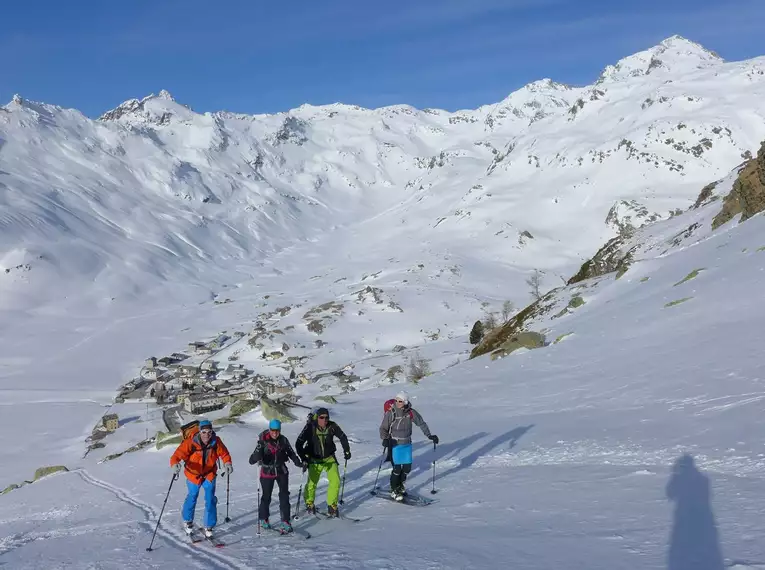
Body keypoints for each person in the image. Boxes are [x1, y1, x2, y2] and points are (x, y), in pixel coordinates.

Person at [170, 419, 233, 538]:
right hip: (193, 475)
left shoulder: (216, 441)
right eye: (204, 432)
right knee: (192, 496)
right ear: (199, 432)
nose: (207, 435)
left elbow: (224, 454)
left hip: (209, 474)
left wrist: (228, 463)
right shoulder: (190, 442)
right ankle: (188, 521)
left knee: (210, 499)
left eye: (209, 432)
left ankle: (209, 526)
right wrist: (175, 464)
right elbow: (176, 456)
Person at [379, 391, 438, 501]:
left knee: (407, 468)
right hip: (395, 444)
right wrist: (385, 439)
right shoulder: (391, 413)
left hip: (407, 444)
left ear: (405, 402)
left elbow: (421, 423)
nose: (397, 402)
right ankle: (394, 490)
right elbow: (383, 428)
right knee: (397, 469)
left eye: (400, 401)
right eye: (396, 400)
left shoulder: (411, 413)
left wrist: (429, 435)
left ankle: (400, 486)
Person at [248, 419, 303, 533]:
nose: (275, 433)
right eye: (273, 430)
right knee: (266, 496)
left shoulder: (283, 440)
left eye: (277, 431)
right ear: (269, 430)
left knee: (284, 495)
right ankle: (264, 518)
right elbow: (251, 460)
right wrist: (258, 453)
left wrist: (299, 463)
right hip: (267, 472)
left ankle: (285, 520)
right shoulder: (263, 442)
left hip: (281, 470)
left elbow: (291, 453)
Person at [295, 407, 351, 517]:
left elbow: (343, 437)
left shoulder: (332, 426)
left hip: (329, 458)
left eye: (327, 417)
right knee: (312, 483)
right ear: (317, 418)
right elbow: (298, 443)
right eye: (322, 417)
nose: (325, 420)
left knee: (335, 481)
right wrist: (304, 458)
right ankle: (309, 502)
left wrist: (347, 450)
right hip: (314, 459)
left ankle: (332, 505)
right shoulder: (310, 427)